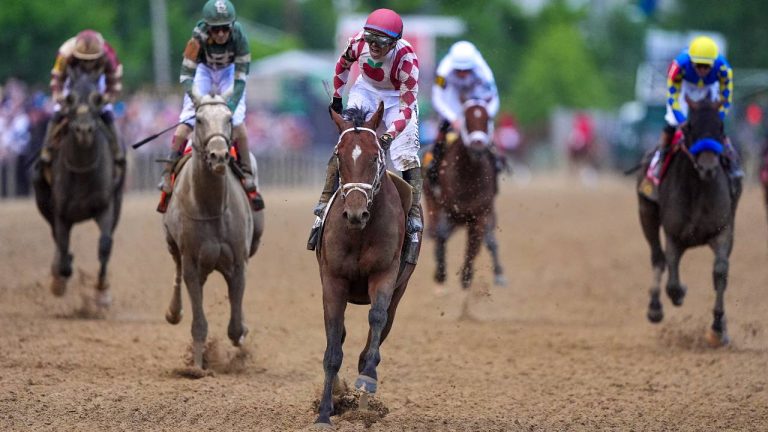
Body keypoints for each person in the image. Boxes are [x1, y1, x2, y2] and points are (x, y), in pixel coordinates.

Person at [306, 8, 422, 257]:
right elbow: (342, 66)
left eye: (381, 42)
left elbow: (407, 108)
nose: (374, 45)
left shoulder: (407, 61)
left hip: (397, 100)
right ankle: (325, 200)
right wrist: (337, 96)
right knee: (348, 141)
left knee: (406, 153)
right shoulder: (358, 43)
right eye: (371, 39)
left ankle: (413, 215)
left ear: (393, 42)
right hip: (365, 90)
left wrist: (389, 135)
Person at [157, 0, 263, 212]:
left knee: (237, 121)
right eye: (217, 29)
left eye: (226, 28)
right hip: (203, 71)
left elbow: (241, 79)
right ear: (208, 27)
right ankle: (168, 172)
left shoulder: (239, 36)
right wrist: (197, 101)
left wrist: (229, 108)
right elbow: (186, 74)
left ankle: (247, 173)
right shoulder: (197, 36)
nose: (222, 33)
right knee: (186, 121)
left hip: (230, 73)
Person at [641, 35, 741, 199]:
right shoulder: (678, 66)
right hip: (684, 88)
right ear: (691, 62)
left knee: (714, 126)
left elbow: (726, 98)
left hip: (710, 88)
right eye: (698, 65)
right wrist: (681, 121)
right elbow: (672, 97)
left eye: (706, 66)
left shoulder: (724, 69)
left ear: (714, 63)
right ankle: (658, 164)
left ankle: (731, 160)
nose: (702, 70)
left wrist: (717, 119)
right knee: (671, 123)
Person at [40, 30, 124, 173]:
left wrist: (107, 97)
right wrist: (59, 95)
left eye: (92, 60)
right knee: (57, 114)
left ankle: (116, 149)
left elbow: (114, 82)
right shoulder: (65, 53)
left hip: (97, 87)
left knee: (108, 114)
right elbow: (57, 77)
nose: (88, 63)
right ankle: (46, 148)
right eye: (84, 59)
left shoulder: (108, 55)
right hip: (71, 85)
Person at [427, 40, 501, 189]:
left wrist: (485, 116)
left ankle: (496, 162)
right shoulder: (443, 71)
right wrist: (453, 118)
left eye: (466, 70)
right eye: (458, 70)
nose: (462, 73)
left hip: (476, 98)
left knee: (482, 129)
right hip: (452, 99)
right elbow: (437, 98)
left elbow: (494, 99)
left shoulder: (484, 72)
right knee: (443, 130)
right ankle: (432, 165)